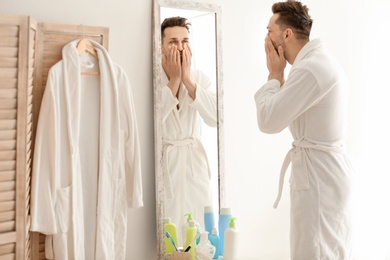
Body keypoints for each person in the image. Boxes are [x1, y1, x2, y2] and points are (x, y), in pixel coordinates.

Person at [254, 1, 353, 259]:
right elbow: (283, 109)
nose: (266, 39)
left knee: (316, 252)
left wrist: (275, 74)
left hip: (320, 181)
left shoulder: (311, 69)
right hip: (323, 176)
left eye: (269, 31)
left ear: (286, 35)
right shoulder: (313, 64)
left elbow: (269, 119)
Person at [160, 16, 217, 246]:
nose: (180, 47)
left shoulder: (199, 78)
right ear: (160, 46)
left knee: (199, 234)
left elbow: (215, 118)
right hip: (168, 166)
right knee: (169, 234)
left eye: (185, 40)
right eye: (173, 41)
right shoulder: (153, 79)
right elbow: (151, 122)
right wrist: (174, 80)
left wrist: (187, 80)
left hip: (194, 165)